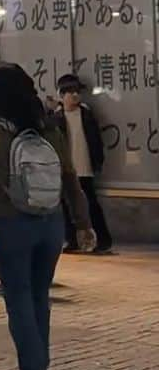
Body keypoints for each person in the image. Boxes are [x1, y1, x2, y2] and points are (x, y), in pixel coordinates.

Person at [0, 64, 95, 370]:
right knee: (38, 299)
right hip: (51, 224)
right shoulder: (49, 127)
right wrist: (82, 223)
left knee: (18, 298)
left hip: (12, 223)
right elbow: (70, 179)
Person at [57, 75, 114, 254]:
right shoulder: (56, 117)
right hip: (65, 167)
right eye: (70, 92)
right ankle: (71, 240)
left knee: (90, 203)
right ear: (61, 95)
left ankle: (103, 240)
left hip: (85, 166)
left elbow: (96, 141)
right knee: (66, 206)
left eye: (77, 92)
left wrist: (98, 161)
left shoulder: (86, 114)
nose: (75, 95)